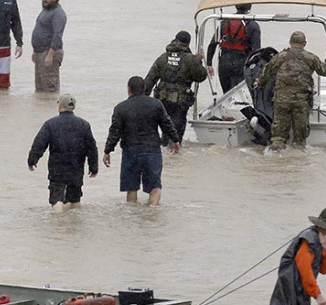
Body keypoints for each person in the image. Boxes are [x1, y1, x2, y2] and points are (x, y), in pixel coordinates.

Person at [103, 76, 180, 206]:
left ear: (129, 90)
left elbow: (115, 132)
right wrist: (175, 140)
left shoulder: (121, 108)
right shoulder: (155, 104)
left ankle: (133, 217)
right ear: (144, 89)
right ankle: (152, 212)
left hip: (130, 152)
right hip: (152, 151)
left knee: (132, 188)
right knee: (155, 186)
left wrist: (107, 151)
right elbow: (167, 124)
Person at [255, 31, 326, 150]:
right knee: (300, 140)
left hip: (281, 100)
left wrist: (259, 84)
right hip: (301, 102)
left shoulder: (280, 56)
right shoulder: (310, 58)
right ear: (304, 43)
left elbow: (266, 73)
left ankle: (275, 157)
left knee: (278, 138)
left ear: (290, 43)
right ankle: (298, 161)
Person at [28, 93, 99, 211]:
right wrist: (93, 167)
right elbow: (91, 148)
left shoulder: (50, 124)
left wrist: (32, 160)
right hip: (76, 168)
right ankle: (75, 225)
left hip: (57, 169)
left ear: (60, 106)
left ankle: (57, 226)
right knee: (75, 199)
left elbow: (39, 144)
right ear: (73, 108)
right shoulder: (84, 125)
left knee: (57, 199)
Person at [145, 30, 209, 146]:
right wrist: (198, 61)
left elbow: (150, 80)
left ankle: (165, 152)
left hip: (162, 100)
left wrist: (141, 99)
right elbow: (201, 76)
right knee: (176, 132)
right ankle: (174, 157)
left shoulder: (163, 58)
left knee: (166, 128)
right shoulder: (190, 59)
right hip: (180, 102)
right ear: (188, 43)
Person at [206, 4, 262, 92]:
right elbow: (257, 52)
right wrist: (257, 72)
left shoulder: (224, 22)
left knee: (227, 94)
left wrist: (209, 64)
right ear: (249, 8)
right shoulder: (252, 25)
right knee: (240, 95)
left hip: (224, 63)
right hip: (241, 63)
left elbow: (212, 44)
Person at [31, 0, 67, 93]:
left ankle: (51, 109)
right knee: (40, 89)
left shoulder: (58, 13)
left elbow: (57, 35)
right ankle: (41, 110)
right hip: (40, 53)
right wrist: (35, 52)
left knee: (50, 89)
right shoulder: (46, 11)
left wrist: (50, 55)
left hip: (49, 53)